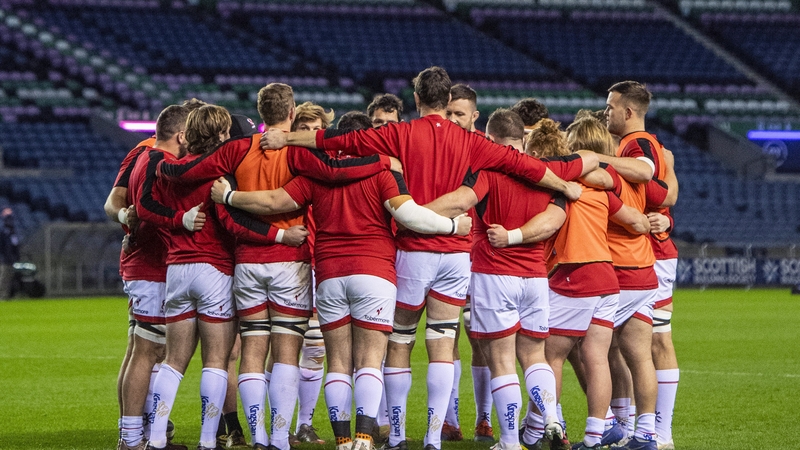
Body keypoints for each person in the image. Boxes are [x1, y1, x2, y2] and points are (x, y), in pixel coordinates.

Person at [260, 66, 582, 450]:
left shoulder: (398, 133)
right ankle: (433, 436)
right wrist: (564, 186)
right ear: (447, 102)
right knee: (443, 343)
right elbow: (525, 166)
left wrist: (284, 137)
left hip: (412, 248)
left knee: (399, 342)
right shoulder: (472, 141)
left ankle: (394, 435)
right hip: (456, 253)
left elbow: (333, 139)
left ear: (415, 100)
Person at [156, 83, 396, 450]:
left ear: (260, 111)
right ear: (292, 111)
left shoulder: (240, 149)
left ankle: (258, 436)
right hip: (289, 260)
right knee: (287, 353)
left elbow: (198, 173)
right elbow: (333, 173)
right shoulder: (299, 156)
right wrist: (383, 161)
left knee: (252, 351)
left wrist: (168, 170)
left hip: (246, 264)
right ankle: (281, 438)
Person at [210, 166, 471, 450]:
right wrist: (453, 226)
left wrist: (230, 196)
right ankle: (363, 438)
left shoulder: (316, 176)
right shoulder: (382, 174)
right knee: (370, 359)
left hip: (330, 272)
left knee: (337, 362)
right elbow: (410, 216)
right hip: (373, 270)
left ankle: (342, 441)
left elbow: (275, 201)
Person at [544, 116, 651, 450]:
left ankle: (548, 425)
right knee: (597, 355)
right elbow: (637, 221)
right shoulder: (605, 189)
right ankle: (596, 435)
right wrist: (654, 221)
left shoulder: (567, 184)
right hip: (610, 277)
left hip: (576, 272)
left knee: (549, 355)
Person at [134, 105, 235, 450]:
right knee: (216, 361)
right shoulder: (217, 175)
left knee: (174, 361)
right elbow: (229, 224)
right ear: (219, 134)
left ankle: (157, 437)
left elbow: (146, 206)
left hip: (176, 270)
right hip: (214, 270)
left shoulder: (166, 169)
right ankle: (209, 440)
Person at [104, 104, 200, 450]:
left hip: (143, 261)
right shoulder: (152, 158)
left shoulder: (144, 155)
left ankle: (140, 431)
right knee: (148, 350)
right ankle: (132, 439)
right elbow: (120, 204)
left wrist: (128, 217)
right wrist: (129, 216)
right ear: (182, 134)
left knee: (142, 350)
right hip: (150, 263)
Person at [601, 81, 677, 450]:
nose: (606, 112)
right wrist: (664, 216)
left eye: (611, 106)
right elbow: (668, 193)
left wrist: (593, 159)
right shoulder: (660, 147)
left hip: (647, 255)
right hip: (650, 253)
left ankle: (656, 433)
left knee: (653, 343)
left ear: (628, 112)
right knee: (627, 345)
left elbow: (647, 175)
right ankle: (640, 429)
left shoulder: (638, 145)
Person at [0, 207, 19, 299]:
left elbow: (15, 246)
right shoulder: (3, 232)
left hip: (11, 260)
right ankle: (1, 295)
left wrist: (16, 257)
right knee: (3, 278)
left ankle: (6, 295)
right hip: (4, 260)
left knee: (9, 278)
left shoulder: (12, 232)